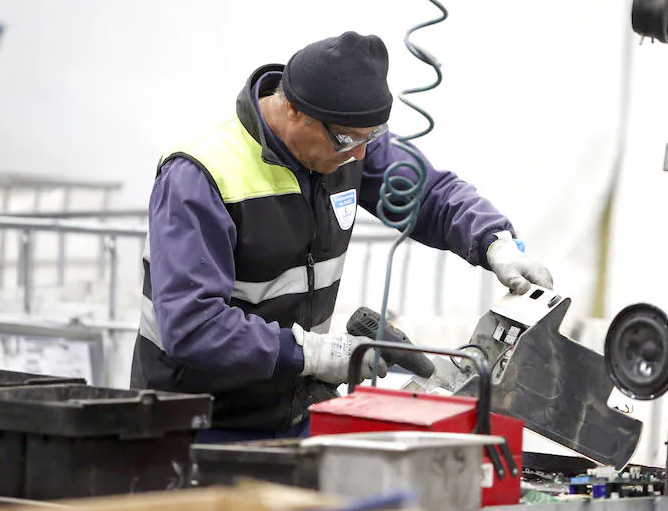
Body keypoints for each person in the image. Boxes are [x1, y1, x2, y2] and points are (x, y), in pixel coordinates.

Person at [130, 31, 553, 442]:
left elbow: (433, 193)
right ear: (294, 111)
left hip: (296, 411)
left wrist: (494, 241)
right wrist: (314, 354)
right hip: (197, 425)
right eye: (350, 140)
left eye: (374, 137)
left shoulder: (345, 143)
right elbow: (193, 325)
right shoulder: (200, 175)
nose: (363, 156)